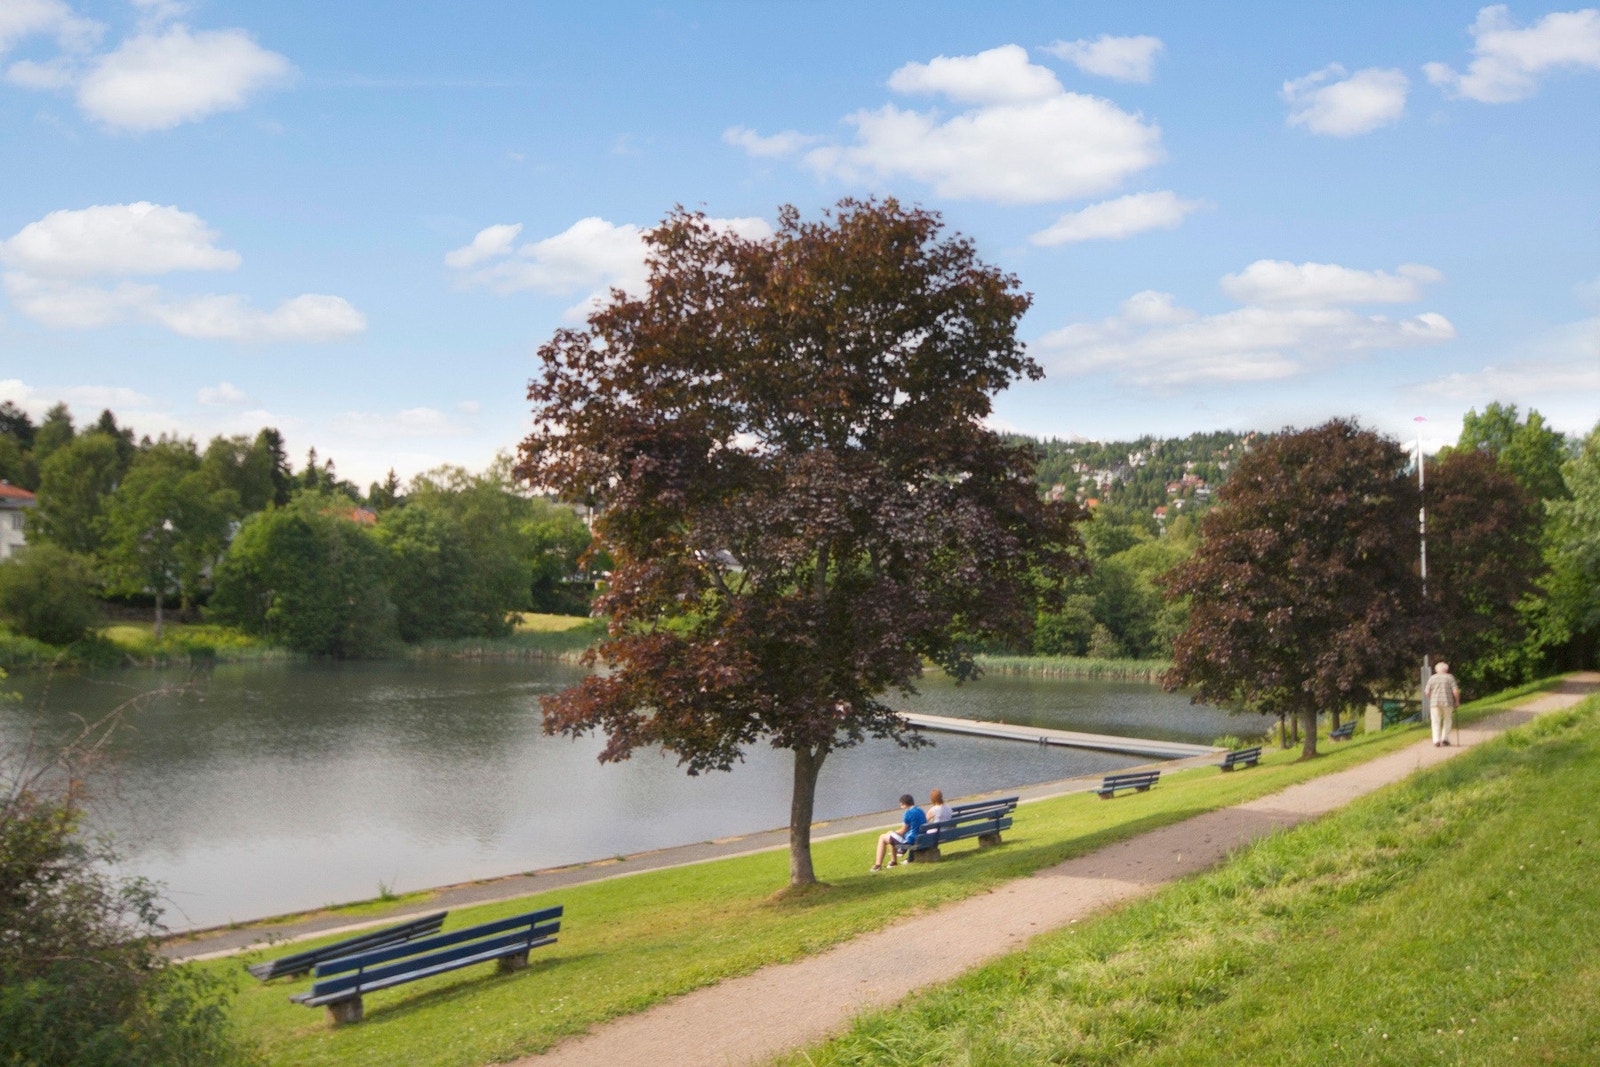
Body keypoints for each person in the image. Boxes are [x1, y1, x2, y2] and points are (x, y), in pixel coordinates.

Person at [872, 794, 926, 870]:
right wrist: (892, 833)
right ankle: (893, 862)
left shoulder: (908, 813)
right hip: (921, 839)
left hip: (910, 842)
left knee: (882, 837)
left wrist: (892, 832)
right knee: (891, 836)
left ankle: (878, 865)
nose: (900, 806)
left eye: (901, 804)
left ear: (905, 804)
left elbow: (903, 831)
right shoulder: (920, 811)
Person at [1426, 660, 1461, 747]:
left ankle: (1436, 740)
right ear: (1446, 669)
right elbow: (1455, 691)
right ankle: (1445, 739)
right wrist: (1457, 701)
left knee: (1435, 721)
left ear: (1436, 670)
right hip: (1447, 702)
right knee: (1447, 720)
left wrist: (1432, 698)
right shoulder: (1450, 677)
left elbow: (1427, 692)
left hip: (1434, 703)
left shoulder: (1432, 678)